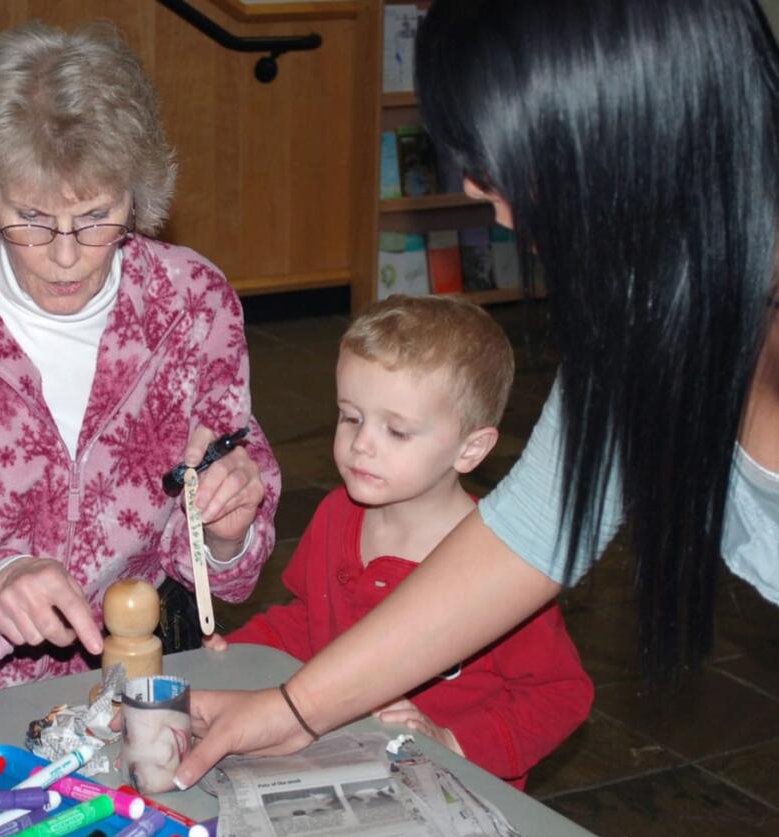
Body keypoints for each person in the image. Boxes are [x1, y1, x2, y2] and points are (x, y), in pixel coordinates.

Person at [173, 0, 779, 789]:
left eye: (500, 161)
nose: (476, 192)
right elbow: (532, 532)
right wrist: (290, 709)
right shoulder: (654, 307)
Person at [0, 22, 280, 688]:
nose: (67, 254)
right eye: (32, 219)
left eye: (98, 216)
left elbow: (227, 559)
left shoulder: (192, 303)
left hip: (113, 673)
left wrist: (227, 531)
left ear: (139, 193)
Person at [207, 296, 592, 789]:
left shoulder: (504, 566)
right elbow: (308, 623)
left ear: (471, 449)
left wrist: (454, 742)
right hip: (344, 770)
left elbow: (559, 694)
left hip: (456, 793)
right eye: (351, 417)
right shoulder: (335, 516)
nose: (362, 443)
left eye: (397, 430)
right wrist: (235, 655)